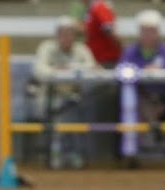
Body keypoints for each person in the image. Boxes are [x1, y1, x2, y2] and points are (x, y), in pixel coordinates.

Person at [32, 16, 98, 168]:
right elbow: (39, 71)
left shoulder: (82, 50)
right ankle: (56, 154)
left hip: (76, 97)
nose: (67, 37)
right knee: (59, 109)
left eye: (70, 34)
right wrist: (59, 72)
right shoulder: (46, 48)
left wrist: (74, 70)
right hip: (51, 96)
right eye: (63, 33)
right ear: (57, 35)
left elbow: (93, 69)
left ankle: (76, 154)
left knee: (79, 107)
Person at [120, 9, 165, 126]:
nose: (148, 34)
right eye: (144, 30)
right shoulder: (130, 52)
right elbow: (122, 69)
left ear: (158, 31)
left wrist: (160, 71)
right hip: (137, 100)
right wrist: (142, 71)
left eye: (152, 30)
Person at [70, 0, 121, 67]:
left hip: (107, 59)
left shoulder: (100, 7)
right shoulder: (90, 10)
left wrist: (123, 51)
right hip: (96, 59)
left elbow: (109, 31)